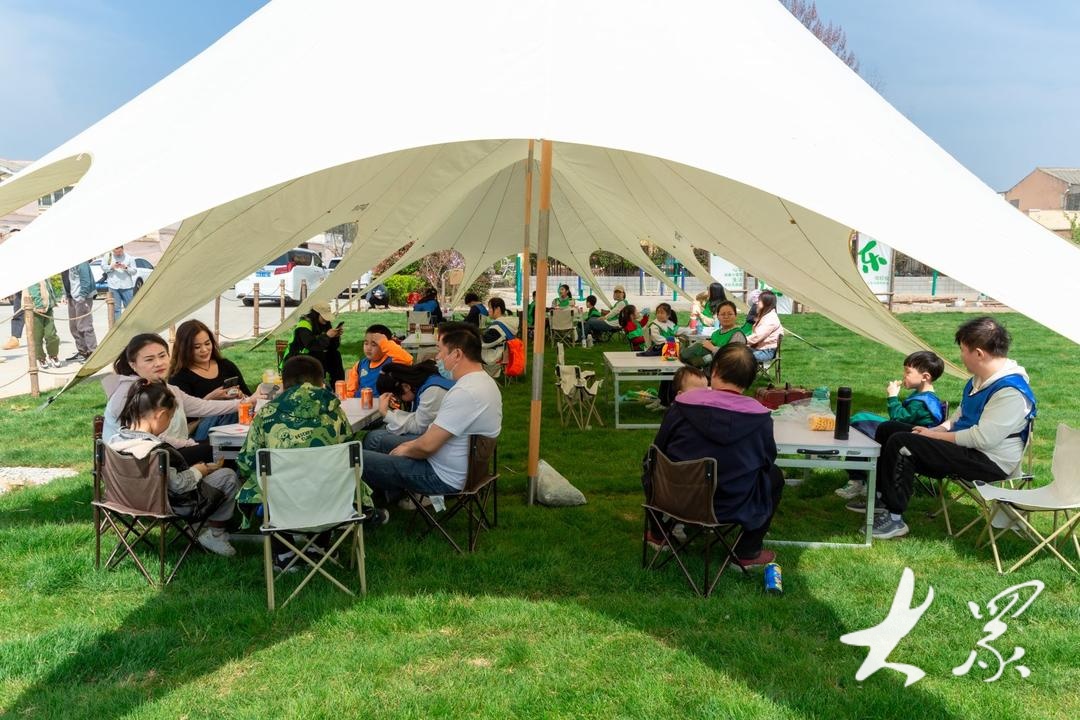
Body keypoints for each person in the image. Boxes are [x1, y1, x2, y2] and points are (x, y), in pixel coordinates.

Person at [855, 317, 1036, 540]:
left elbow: (982, 439)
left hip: (990, 462)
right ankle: (881, 498)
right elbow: (960, 416)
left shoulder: (1010, 392)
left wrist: (934, 437)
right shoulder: (979, 379)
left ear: (979, 353)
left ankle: (894, 519)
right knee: (888, 428)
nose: (961, 356)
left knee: (901, 442)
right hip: (969, 449)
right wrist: (938, 430)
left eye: (963, 350)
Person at [234, 355, 380, 568]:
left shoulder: (266, 415)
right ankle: (320, 547)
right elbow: (348, 457)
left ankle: (284, 553)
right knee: (330, 476)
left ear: (284, 384)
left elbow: (246, 461)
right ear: (322, 382)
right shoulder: (335, 412)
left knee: (265, 480)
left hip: (284, 504)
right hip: (333, 504)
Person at [647, 344, 784, 568]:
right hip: (732, 504)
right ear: (750, 380)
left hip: (675, 498)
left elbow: (657, 449)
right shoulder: (760, 418)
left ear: (715, 369)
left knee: (652, 463)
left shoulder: (681, 405)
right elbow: (768, 460)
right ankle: (747, 551)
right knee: (774, 476)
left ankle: (658, 533)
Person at [361, 322, 502, 500]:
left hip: (441, 476)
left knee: (352, 458)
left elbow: (427, 447)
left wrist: (404, 450)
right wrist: (409, 446)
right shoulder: (484, 382)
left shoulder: (465, 392)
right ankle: (381, 500)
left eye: (440, 351)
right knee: (376, 442)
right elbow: (429, 440)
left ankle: (370, 508)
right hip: (457, 467)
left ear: (457, 354)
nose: (437, 357)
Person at [109, 379, 240, 557]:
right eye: (170, 418)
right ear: (161, 414)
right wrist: (198, 471)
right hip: (168, 504)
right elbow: (179, 485)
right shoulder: (155, 451)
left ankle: (198, 527)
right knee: (228, 476)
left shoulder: (115, 441)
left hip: (124, 501)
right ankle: (215, 534)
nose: (169, 423)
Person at [103, 333, 247, 465]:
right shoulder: (129, 393)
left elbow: (203, 406)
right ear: (133, 365)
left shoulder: (168, 388)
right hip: (139, 462)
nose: (158, 363)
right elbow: (149, 438)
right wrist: (190, 444)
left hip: (164, 452)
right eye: (149, 359)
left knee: (226, 443)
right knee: (222, 448)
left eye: (162, 356)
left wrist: (247, 402)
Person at [835, 350, 946, 501]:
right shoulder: (923, 396)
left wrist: (893, 397)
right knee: (860, 418)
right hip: (903, 435)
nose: (903, 375)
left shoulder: (923, 403)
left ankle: (858, 480)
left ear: (925, 377)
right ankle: (860, 476)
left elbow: (897, 418)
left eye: (908, 372)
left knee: (860, 427)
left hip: (907, 441)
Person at [168, 320, 251, 439]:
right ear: (184, 348)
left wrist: (241, 396)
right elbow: (180, 418)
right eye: (197, 347)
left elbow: (249, 396)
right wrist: (212, 397)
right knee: (227, 410)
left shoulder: (226, 365)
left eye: (207, 343)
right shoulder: (179, 376)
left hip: (237, 420)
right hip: (198, 429)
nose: (204, 350)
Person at [365, 360, 455, 451]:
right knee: (381, 430)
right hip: (435, 435)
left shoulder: (432, 392)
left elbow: (419, 428)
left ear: (406, 387)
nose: (398, 400)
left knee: (374, 438)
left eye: (396, 396)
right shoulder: (425, 382)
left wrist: (386, 413)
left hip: (441, 444)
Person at [282, 301, 345, 384]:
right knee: (318, 355)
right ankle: (320, 384)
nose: (326, 320)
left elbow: (330, 347)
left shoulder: (324, 323)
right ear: (316, 314)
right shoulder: (304, 325)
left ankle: (338, 386)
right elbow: (311, 345)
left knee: (335, 355)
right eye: (324, 317)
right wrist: (327, 336)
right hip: (296, 358)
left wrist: (335, 337)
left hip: (312, 355)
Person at [680, 301, 751, 368]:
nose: (726, 317)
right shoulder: (716, 333)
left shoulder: (737, 335)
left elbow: (733, 357)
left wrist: (713, 348)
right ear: (718, 317)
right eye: (722, 314)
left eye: (730, 314)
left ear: (735, 316)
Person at [354, 323, 413, 398]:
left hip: (384, 403)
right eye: (366, 343)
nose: (368, 348)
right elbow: (350, 391)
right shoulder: (359, 365)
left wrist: (384, 343)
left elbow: (408, 360)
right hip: (360, 403)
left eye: (374, 345)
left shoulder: (393, 362)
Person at [63, 259, 98, 362]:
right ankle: (82, 351)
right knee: (74, 327)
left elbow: (86, 280)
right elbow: (65, 279)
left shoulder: (81, 262)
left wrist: (82, 296)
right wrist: (65, 294)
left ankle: (92, 352)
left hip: (82, 297)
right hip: (71, 297)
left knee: (85, 326)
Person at [26, 278, 61, 369]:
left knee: (51, 334)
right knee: (37, 336)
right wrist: (39, 305)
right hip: (35, 310)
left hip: (48, 308)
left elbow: (49, 287)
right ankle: (41, 357)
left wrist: (55, 300)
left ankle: (53, 355)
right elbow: (33, 290)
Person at [480, 297, 519, 370]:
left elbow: (484, 343)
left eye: (490, 308)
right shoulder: (507, 322)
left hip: (494, 357)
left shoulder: (497, 327)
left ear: (497, 309)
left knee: (469, 351)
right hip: (505, 355)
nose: (488, 311)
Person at [102, 245, 138, 321]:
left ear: (123, 249)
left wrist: (126, 267)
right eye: (115, 252)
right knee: (116, 309)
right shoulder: (108, 256)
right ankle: (118, 326)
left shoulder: (129, 257)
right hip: (113, 286)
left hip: (127, 286)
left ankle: (130, 324)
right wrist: (111, 267)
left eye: (119, 252)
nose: (118, 254)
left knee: (130, 308)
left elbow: (134, 271)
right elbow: (103, 267)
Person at [746, 290, 783, 362]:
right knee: (733, 352)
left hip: (765, 352)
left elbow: (757, 336)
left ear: (766, 303)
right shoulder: (766, 316)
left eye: (759, 301)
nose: (757, 303)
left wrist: (742, 340)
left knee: (738, 356)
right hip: (760, 349)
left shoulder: (770, 319)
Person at [2, 228, 24, 350]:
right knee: (18, 311)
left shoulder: (28, 250)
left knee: (42, 314)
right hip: (19, 285)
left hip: (33, 285)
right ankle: (15, 338)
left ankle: (47, 339)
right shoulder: (11, 252)